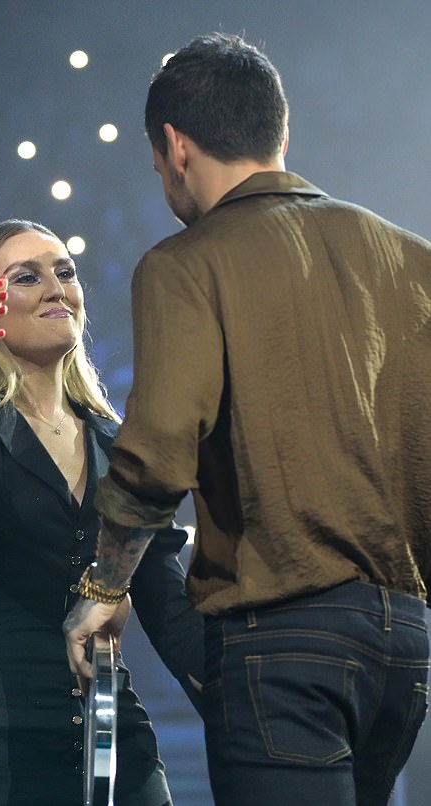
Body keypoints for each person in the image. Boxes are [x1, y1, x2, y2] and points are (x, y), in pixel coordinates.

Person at [64, 32, 431, 806]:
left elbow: (160, 450)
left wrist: (105, 581)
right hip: (405, 646)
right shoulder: (411, 258)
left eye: (157, 161)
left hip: (280, 637)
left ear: (175, 146)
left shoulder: (186, 262)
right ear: (280, 135)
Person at [0, 218, 204, 806]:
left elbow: (171, 609)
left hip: (111, 738)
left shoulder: (119, 447)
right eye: (27, 277)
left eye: (65, 272)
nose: (56, 287)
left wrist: (251, 709)